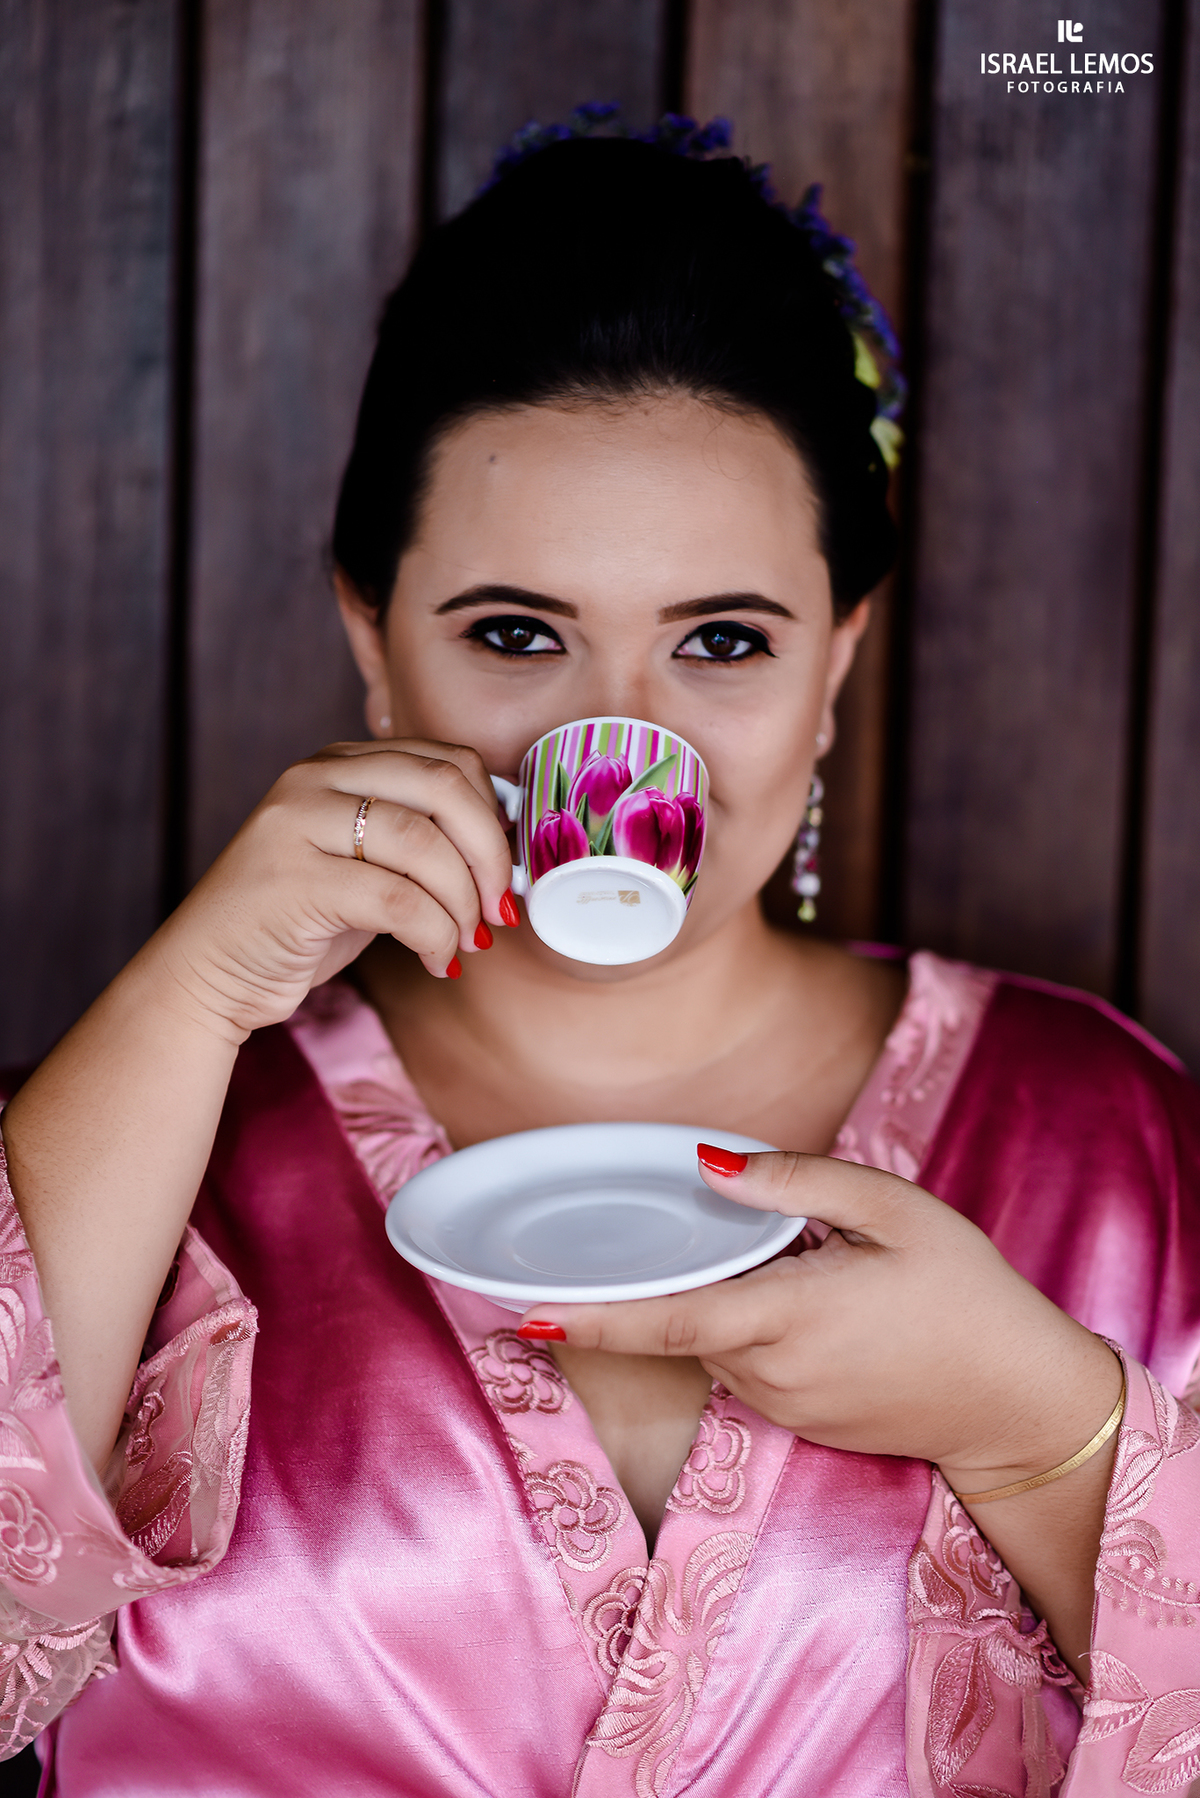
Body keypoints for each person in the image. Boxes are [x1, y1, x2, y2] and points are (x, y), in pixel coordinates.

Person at [1, 120, 1198, 1797]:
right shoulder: (156, 1133)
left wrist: (1042, 1432)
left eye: (723, 640)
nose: (622, 743)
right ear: (372, 639)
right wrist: (188, 995)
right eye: (516, 632)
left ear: (838, 662)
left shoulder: (1106, 1140)